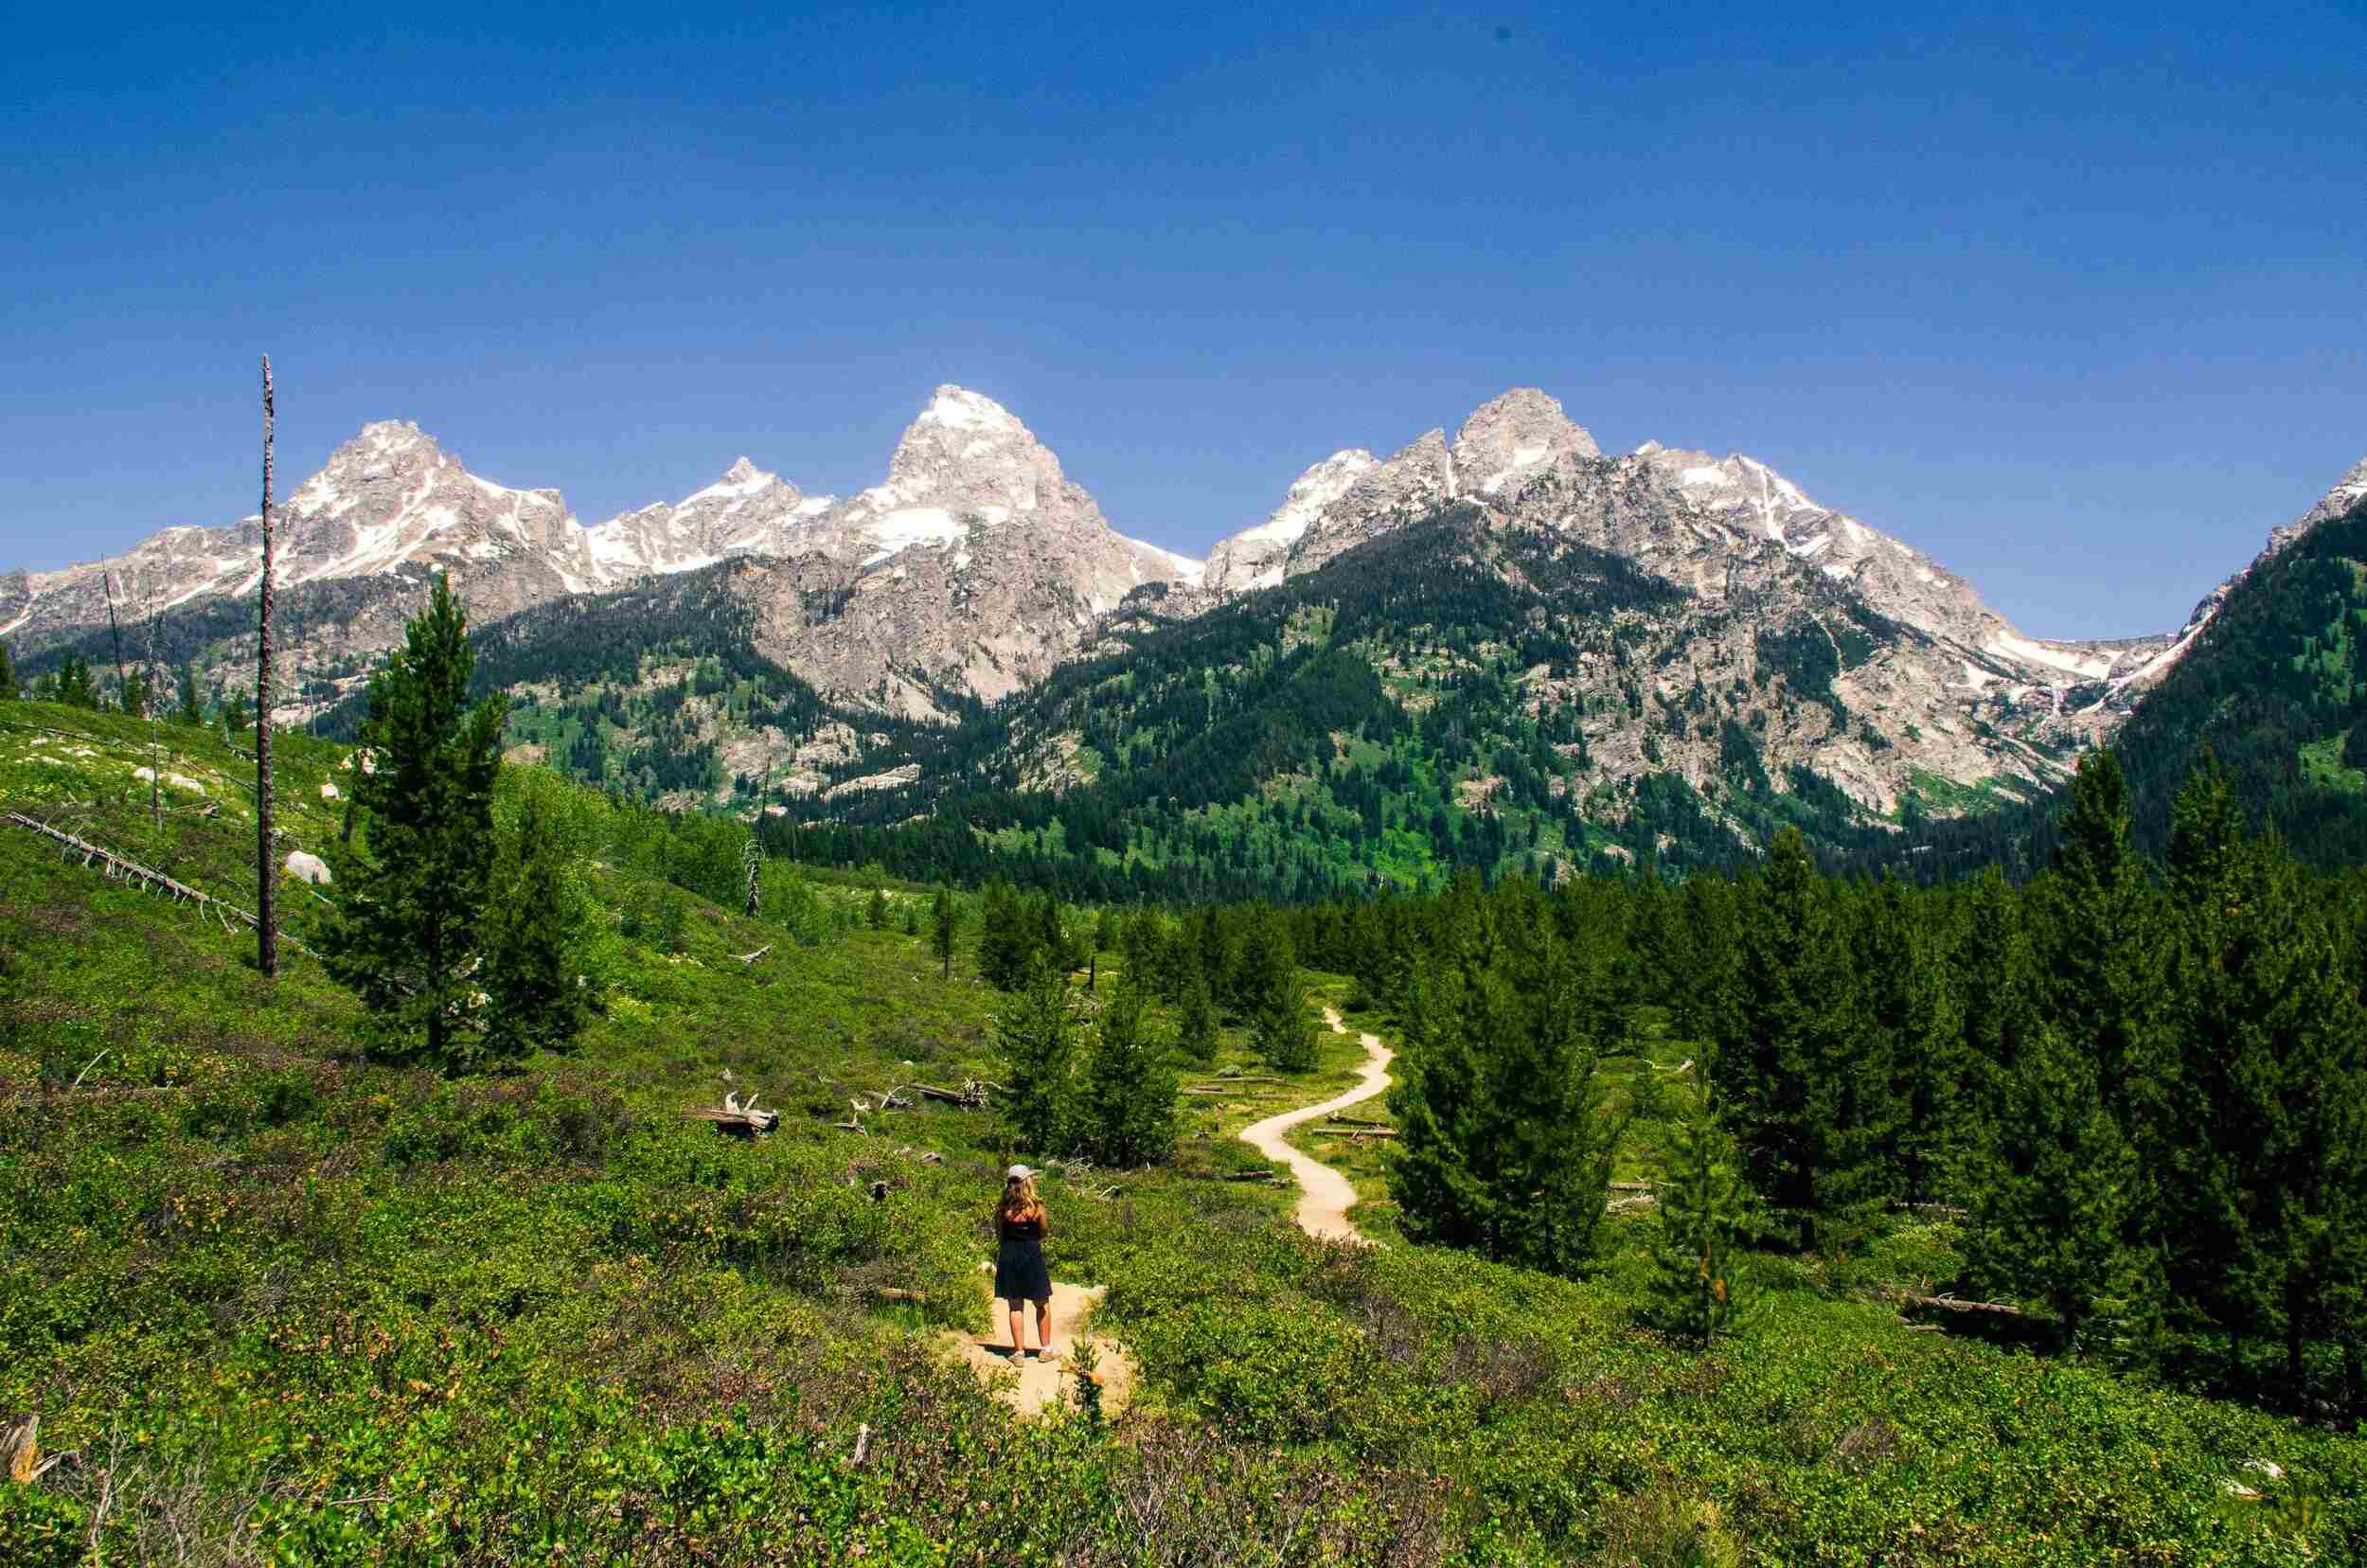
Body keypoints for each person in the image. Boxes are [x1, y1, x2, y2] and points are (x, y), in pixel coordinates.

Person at [994, 1165, 1055, 1360]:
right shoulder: (1036, 1206)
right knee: (1041, 1303)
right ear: (1027, 1181)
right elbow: (1043, 1231)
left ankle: (1019, 1352)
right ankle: (1045, 1349)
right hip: (1031, 1253)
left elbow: (1000, 1233)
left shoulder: (1003, 1208)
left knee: (1015, 1305)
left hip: (1009, 1254)